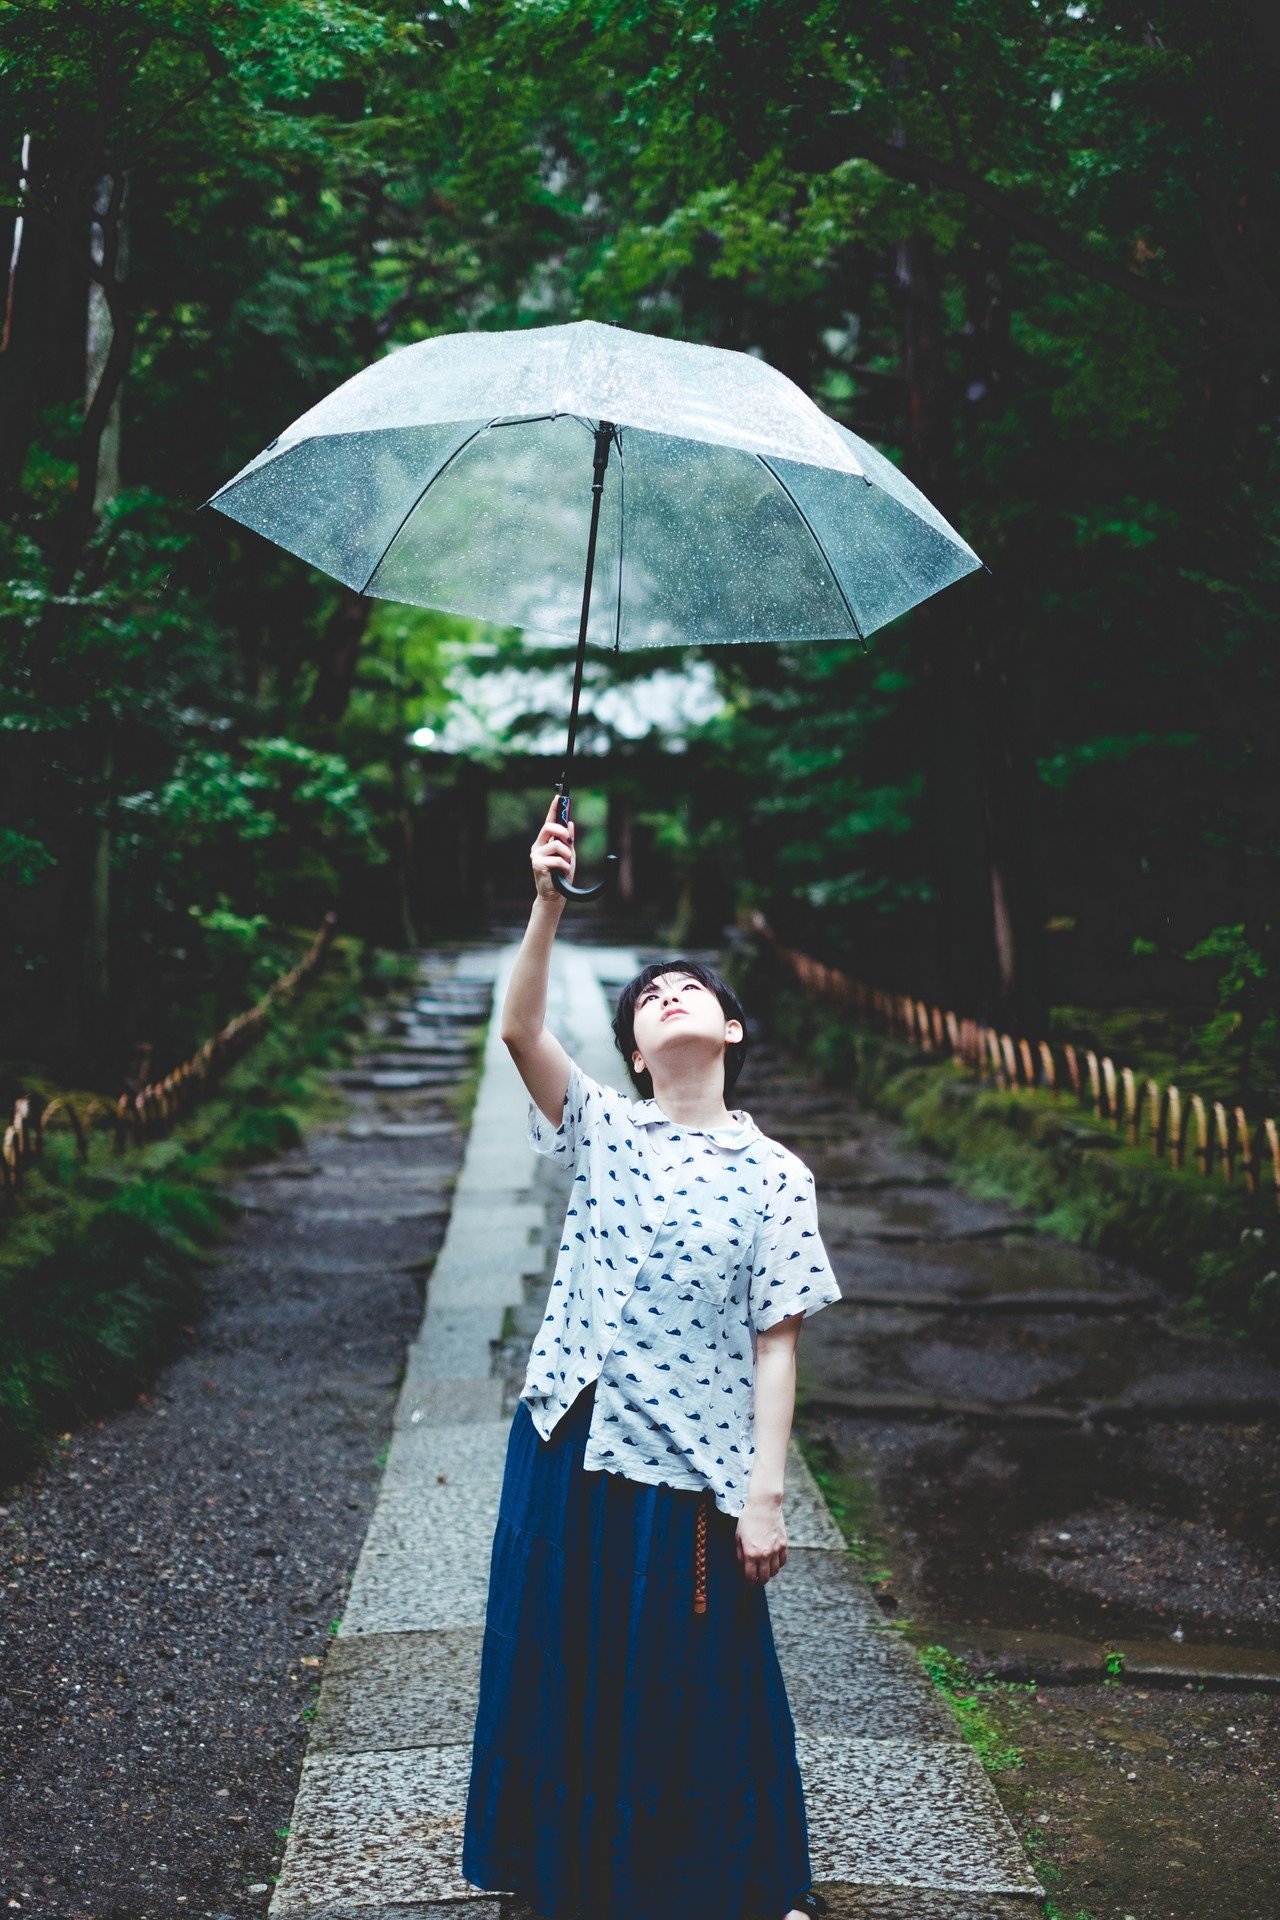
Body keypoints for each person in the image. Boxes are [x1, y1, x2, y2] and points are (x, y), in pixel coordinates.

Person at [462, 795, 842, 1920]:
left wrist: (765, 1496)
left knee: (685, 1684)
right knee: (561, 1663)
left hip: (688, 1462)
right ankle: (570, 1871)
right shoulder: (607, 1130)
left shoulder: (777, 1175)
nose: (669, 996)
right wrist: (544, 903)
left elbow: (777, 1341)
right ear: (632, 1054)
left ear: (728, 1032)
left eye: (693, 992)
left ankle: (714, 1877)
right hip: (568, 1431)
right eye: (647, 1000)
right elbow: (523, 1032)